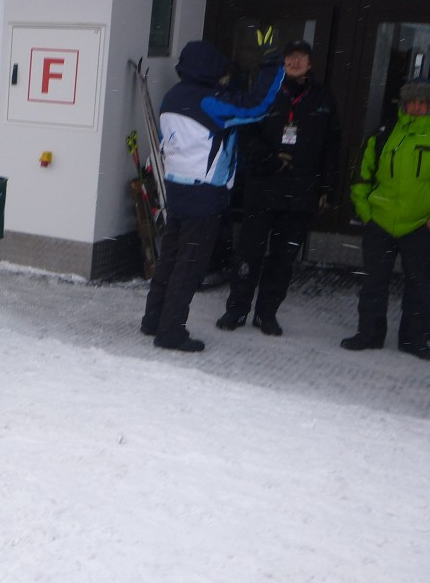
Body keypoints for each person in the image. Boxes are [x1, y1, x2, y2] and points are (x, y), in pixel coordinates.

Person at [141, 39, 283, 352]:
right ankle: (171, 331)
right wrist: (272, 67)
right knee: (189, 265)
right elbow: (257, 107)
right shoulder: (210, 102)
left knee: (170, 259)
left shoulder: (171, 97)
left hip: (177, 189)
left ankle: (153, 319)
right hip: (204, 195)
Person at [216, 39, 341, 336]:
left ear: (310, 64)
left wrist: (327, 187)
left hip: (301, 192)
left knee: (283, 258)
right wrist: (270, 161)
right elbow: (246, 132)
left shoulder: (323, 98)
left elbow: (332, 147)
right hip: (264, 187)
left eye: (301, 57)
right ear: (283, 62)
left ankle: (266, 314)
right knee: (249, 253)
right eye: (290, 57)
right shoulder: (267, 92)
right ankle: (236, 310)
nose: (295, 62)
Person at [339, 78, 430, 360]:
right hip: (379, 222)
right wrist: (367, 215)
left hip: (419, 225)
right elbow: (362, 176)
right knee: (374, 283)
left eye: (423, 102)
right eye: (412, 101)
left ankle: (413, 340)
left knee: (421, 285)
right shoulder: (383, 134)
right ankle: (369, 334)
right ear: (403, 104)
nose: (416, 107)